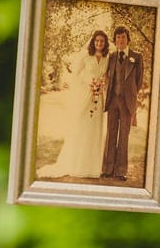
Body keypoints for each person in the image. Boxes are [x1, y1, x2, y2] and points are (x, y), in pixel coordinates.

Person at [38, 30, 111, 179]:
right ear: (93, 41)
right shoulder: (85, 55)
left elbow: (106, 76)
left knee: (95, 129)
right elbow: (76, 74)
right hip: (85, 94)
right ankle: (78, 164)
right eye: (97, 40)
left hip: (98, 97)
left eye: (102, 41)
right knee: (82, 127)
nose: (99, 43)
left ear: (105, 43)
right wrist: (88, 83)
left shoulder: (106, 58)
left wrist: (101, 85)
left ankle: (92, 167)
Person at [101, 26, 143, 181]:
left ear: (128, 39)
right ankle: (107, 169)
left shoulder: (137, 57)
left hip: (127, 102)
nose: (120, 40)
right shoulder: (111, 57)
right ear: (115, 40)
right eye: (118, 37)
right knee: (111, 134)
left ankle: (121, 171)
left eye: (123, 37)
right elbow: (107, 77)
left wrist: (129, 94)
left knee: (124, 136)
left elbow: (138, 81)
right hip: (112, 101)